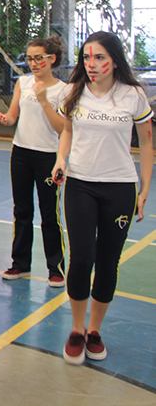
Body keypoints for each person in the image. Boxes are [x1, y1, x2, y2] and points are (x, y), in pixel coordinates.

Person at [52, 31, 152, 365]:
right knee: (81, 258)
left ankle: (94, 330)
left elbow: (147, 144)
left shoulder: (133, 95)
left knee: (108, 261)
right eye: (85, 58)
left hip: (119, 187)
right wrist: (60, 160)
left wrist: (145, 189)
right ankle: (77, 329)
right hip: (80, 184)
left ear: (114, 59)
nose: (91, 65)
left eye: (99, 58)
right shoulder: (73, 91)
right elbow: (67, 130)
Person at [0, 37, 66, 287]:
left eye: (39, 58)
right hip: (20, 153)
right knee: (21, 210)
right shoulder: (23, 83)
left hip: (48, 156)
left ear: (51, 59)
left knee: (49, 213)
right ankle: (20, 264)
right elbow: (14, 116)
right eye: (30, 58)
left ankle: (55, 268)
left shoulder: (62, 90)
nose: (33, 63)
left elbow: (61, 129)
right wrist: (5, 118)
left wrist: (44, 101)